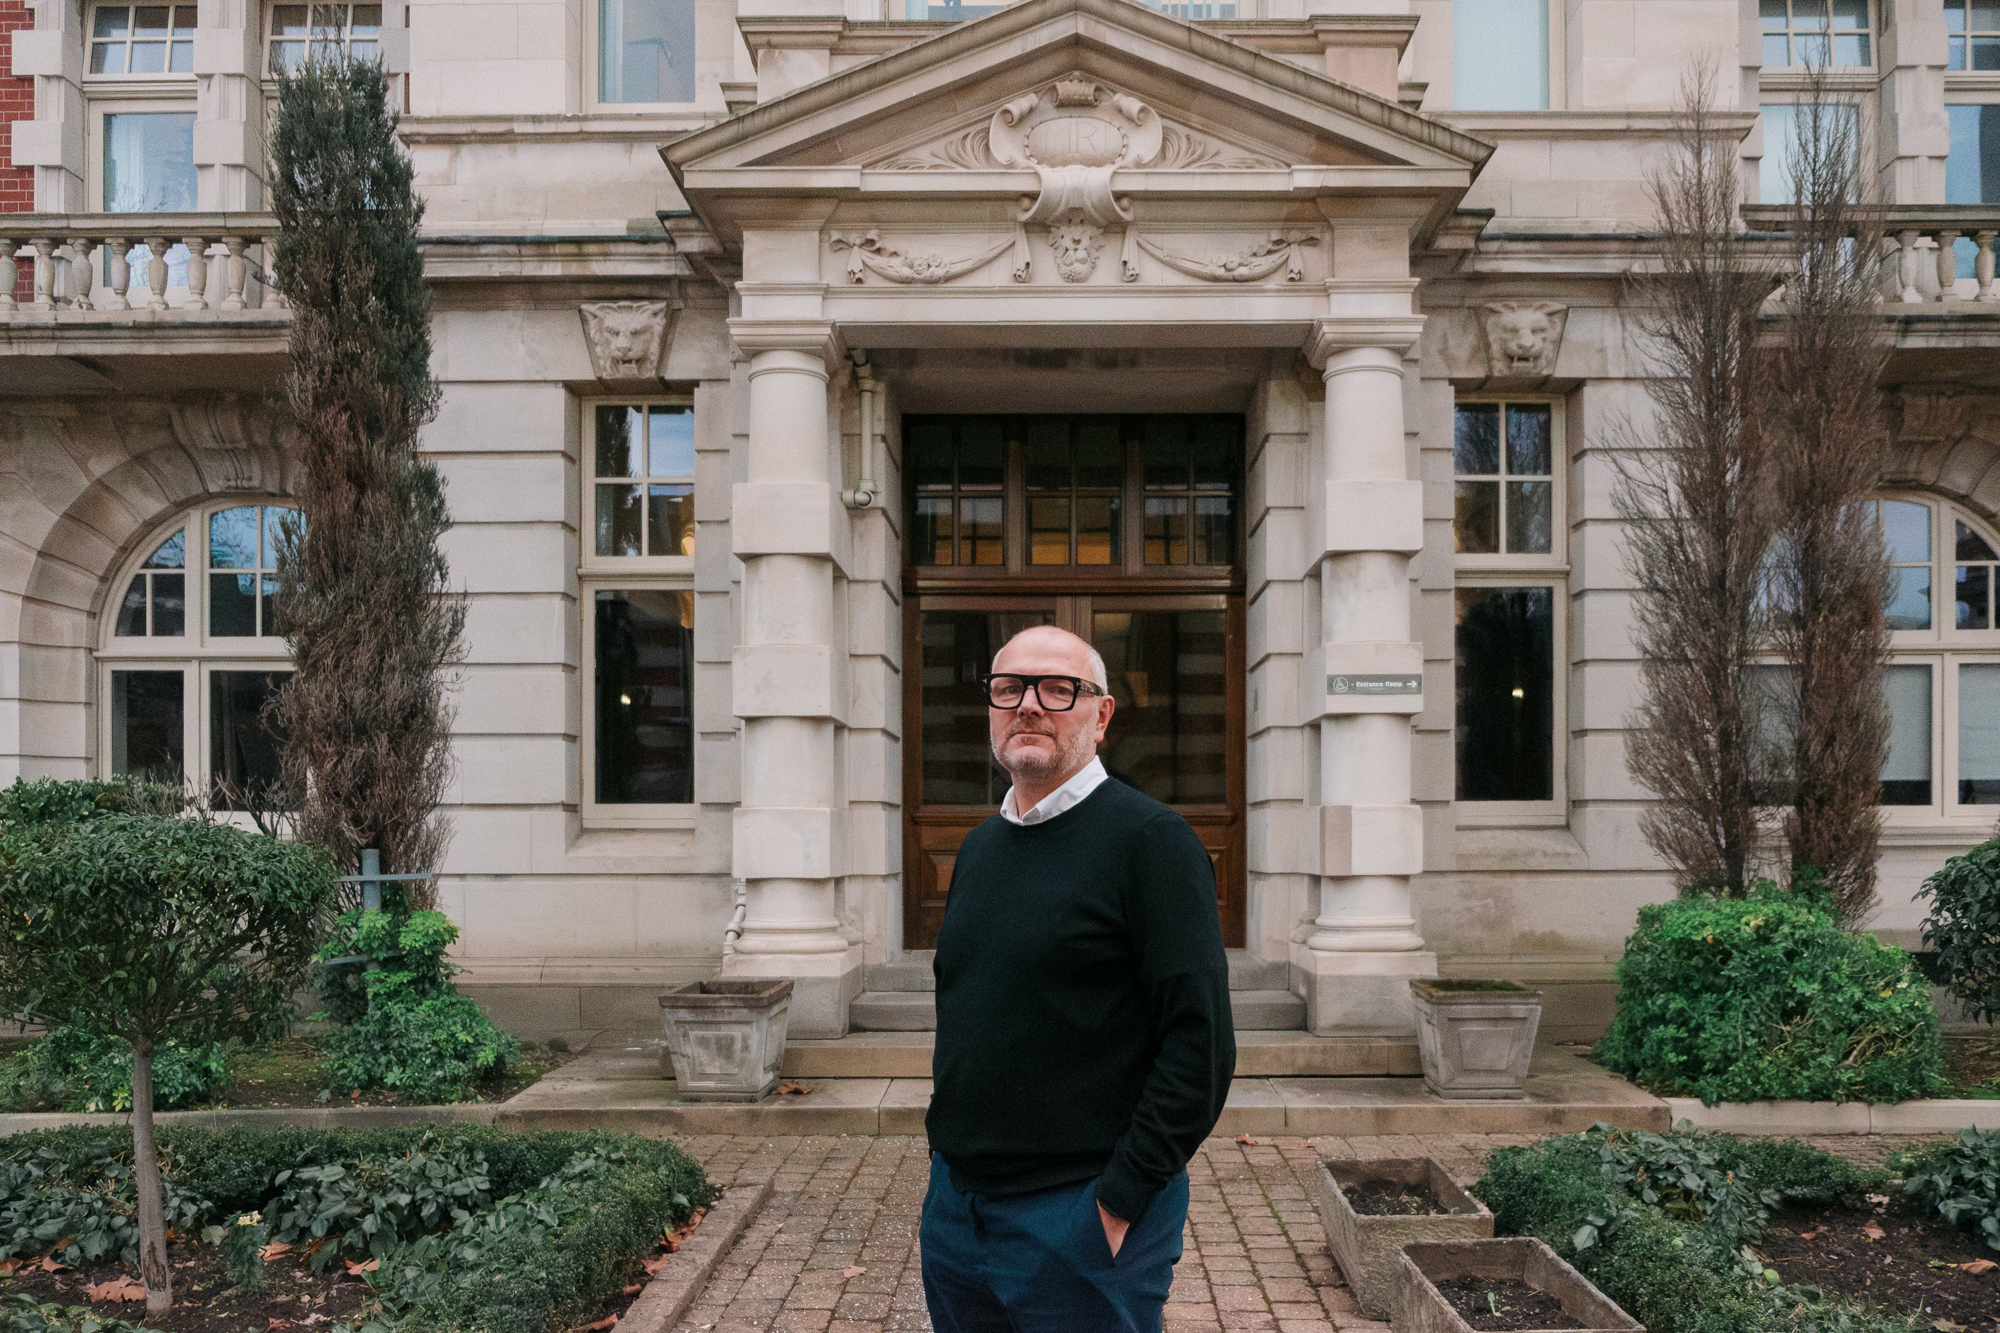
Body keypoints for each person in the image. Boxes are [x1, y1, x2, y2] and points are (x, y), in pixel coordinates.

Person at [921, 624, 1236, 1333]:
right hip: (957, 1212)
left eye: (1058, 688)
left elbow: (1201, 1045)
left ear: (1101, 716)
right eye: (1009, 687)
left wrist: (1118, 1201)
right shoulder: (977, 848)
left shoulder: (1152, 843)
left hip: (1077, 1220)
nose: (1029, 704)